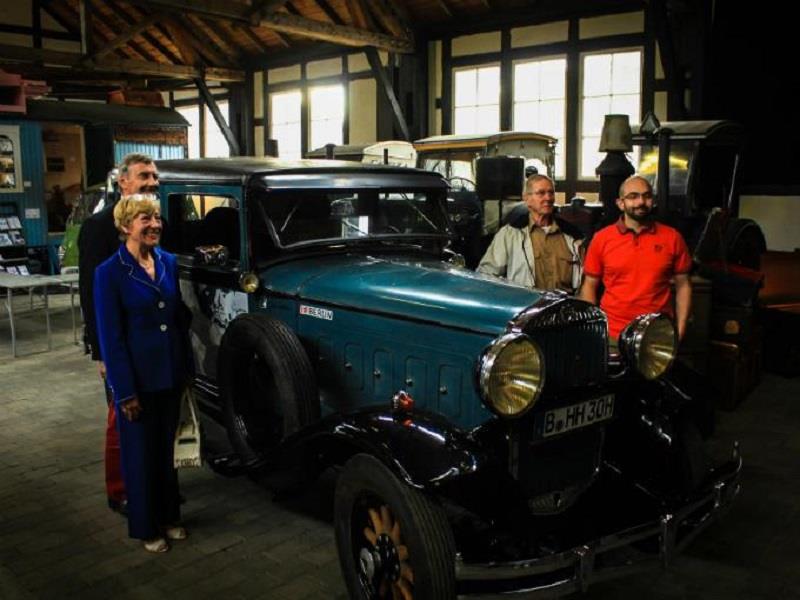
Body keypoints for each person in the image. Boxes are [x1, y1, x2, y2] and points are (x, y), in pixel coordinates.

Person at [94, 196, 192, 553]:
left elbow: (177, 321)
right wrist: (124, 391)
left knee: (167, 453)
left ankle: (170, 516)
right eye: (144, 219)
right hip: (136, 381)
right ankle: (147, 526)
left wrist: (187, 370)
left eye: (156, 218)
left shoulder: (168, 261)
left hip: (170, 374)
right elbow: (111, 337)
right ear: (125, 226)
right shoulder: (109, 272)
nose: (154, 224)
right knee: (139, 457)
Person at [78, 153, 159, 516]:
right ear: (123, 181)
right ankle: (121, 490)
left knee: (153, 420)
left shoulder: (156, 222)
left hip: (151, 342)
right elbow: (89, 294)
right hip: (118, 344)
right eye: (144, 175)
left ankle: (151, 484)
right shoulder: (98, 227)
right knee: (121, 418)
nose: (152, 182)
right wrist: (100, 352)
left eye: (154, 176)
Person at [579, 175, 693, 342]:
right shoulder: (602, 239)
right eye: (633, 196)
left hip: (658, 334)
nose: (641, 202)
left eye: (646, 196)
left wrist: (680, 331)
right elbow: (589, 286)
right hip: (612, 334)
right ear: (620, 203)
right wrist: (592, 330)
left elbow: (683, 285)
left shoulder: (672, 238)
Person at [477, 174, 584, 292]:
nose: (548, 198)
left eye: (551, 193)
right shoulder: (510, 234)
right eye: (541, 193)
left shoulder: (572, 235)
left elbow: (585, 280)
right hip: (524, 301)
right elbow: (486, 276)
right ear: (527, 199)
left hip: (565, 302)